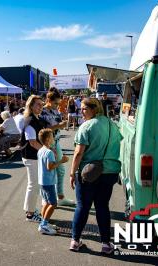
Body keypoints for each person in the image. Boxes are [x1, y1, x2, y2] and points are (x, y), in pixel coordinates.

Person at [69, 97, 122, 254]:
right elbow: (118, 143)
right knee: (102, 207)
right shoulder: (113, 125)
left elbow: (78, 153)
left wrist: (72, 173)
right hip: (110, 171)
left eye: (84, 109)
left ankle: (75, 241)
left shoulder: (87, 126)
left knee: (83, 206)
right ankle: (106, 244)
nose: (81, 111)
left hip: (89, 173)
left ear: (94, 108)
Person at [40, 91, 75, 206]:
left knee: (57, 171)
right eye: (56, 103)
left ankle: (56, 197)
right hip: (49, 144)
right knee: (53, 171)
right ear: (49, 100)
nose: (57, 106)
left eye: (58, 103)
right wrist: (58, 126)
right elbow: (43, 131)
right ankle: (52, 198)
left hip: (56, 142)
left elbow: (59, 123)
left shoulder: (55, 110)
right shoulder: (42, 111)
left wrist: (63, 119)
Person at [37, 128, 69, 235]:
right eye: (51, 137)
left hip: (42, 181)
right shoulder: (49, 152)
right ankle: (44, 225)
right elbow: (50, 167)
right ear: (47, 140)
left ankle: (43, 222)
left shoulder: (41, 150)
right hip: (49, 182)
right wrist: (61, 161)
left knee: (46, 202)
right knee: (53, 204)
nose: (53, 139)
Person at [21, 95, 46, 223]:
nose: (41, 106)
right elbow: (32, 142)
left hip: (34, 156)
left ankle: (30, 210)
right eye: (38, 104)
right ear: (30, 106)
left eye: (42, 104)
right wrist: (46, 151)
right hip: (31, 156)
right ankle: (30, 214)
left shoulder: (36, 118)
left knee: (34, 184)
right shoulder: (30, 120)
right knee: (34, 184)